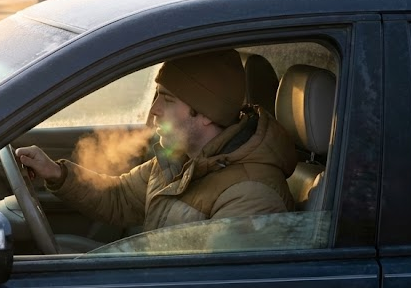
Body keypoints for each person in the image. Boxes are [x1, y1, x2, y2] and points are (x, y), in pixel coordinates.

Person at [16, 49, 297, 232]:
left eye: (168, 99)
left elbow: (208, 287)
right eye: (157, 96)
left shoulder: (251, 194)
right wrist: (57, 173)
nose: (154, 111)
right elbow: (120, 198)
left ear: (206, 114)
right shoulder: (180, 158)